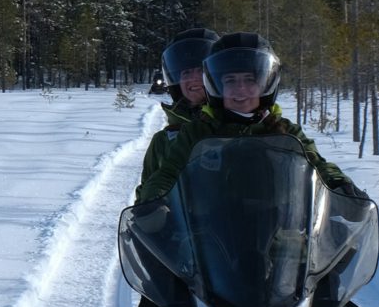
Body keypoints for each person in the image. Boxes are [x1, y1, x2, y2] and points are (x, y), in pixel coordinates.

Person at [136, 31, 357, 205]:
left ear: (264, 84)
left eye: (250, 80)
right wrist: (154, 200)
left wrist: (340, 185)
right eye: (230, 81)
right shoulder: (198, 132)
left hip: (281, 238)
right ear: (216, 85)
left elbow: (317, 164)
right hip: (208, 238)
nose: (240, 90)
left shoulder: (284, 130)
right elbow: (167, 173)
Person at [137, 28, 219, 201]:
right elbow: (145, 194)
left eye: (201, 70)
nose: (194, 78)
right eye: (186, 72)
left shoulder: (237, 125)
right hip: (184, 226)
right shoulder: (163, 141)